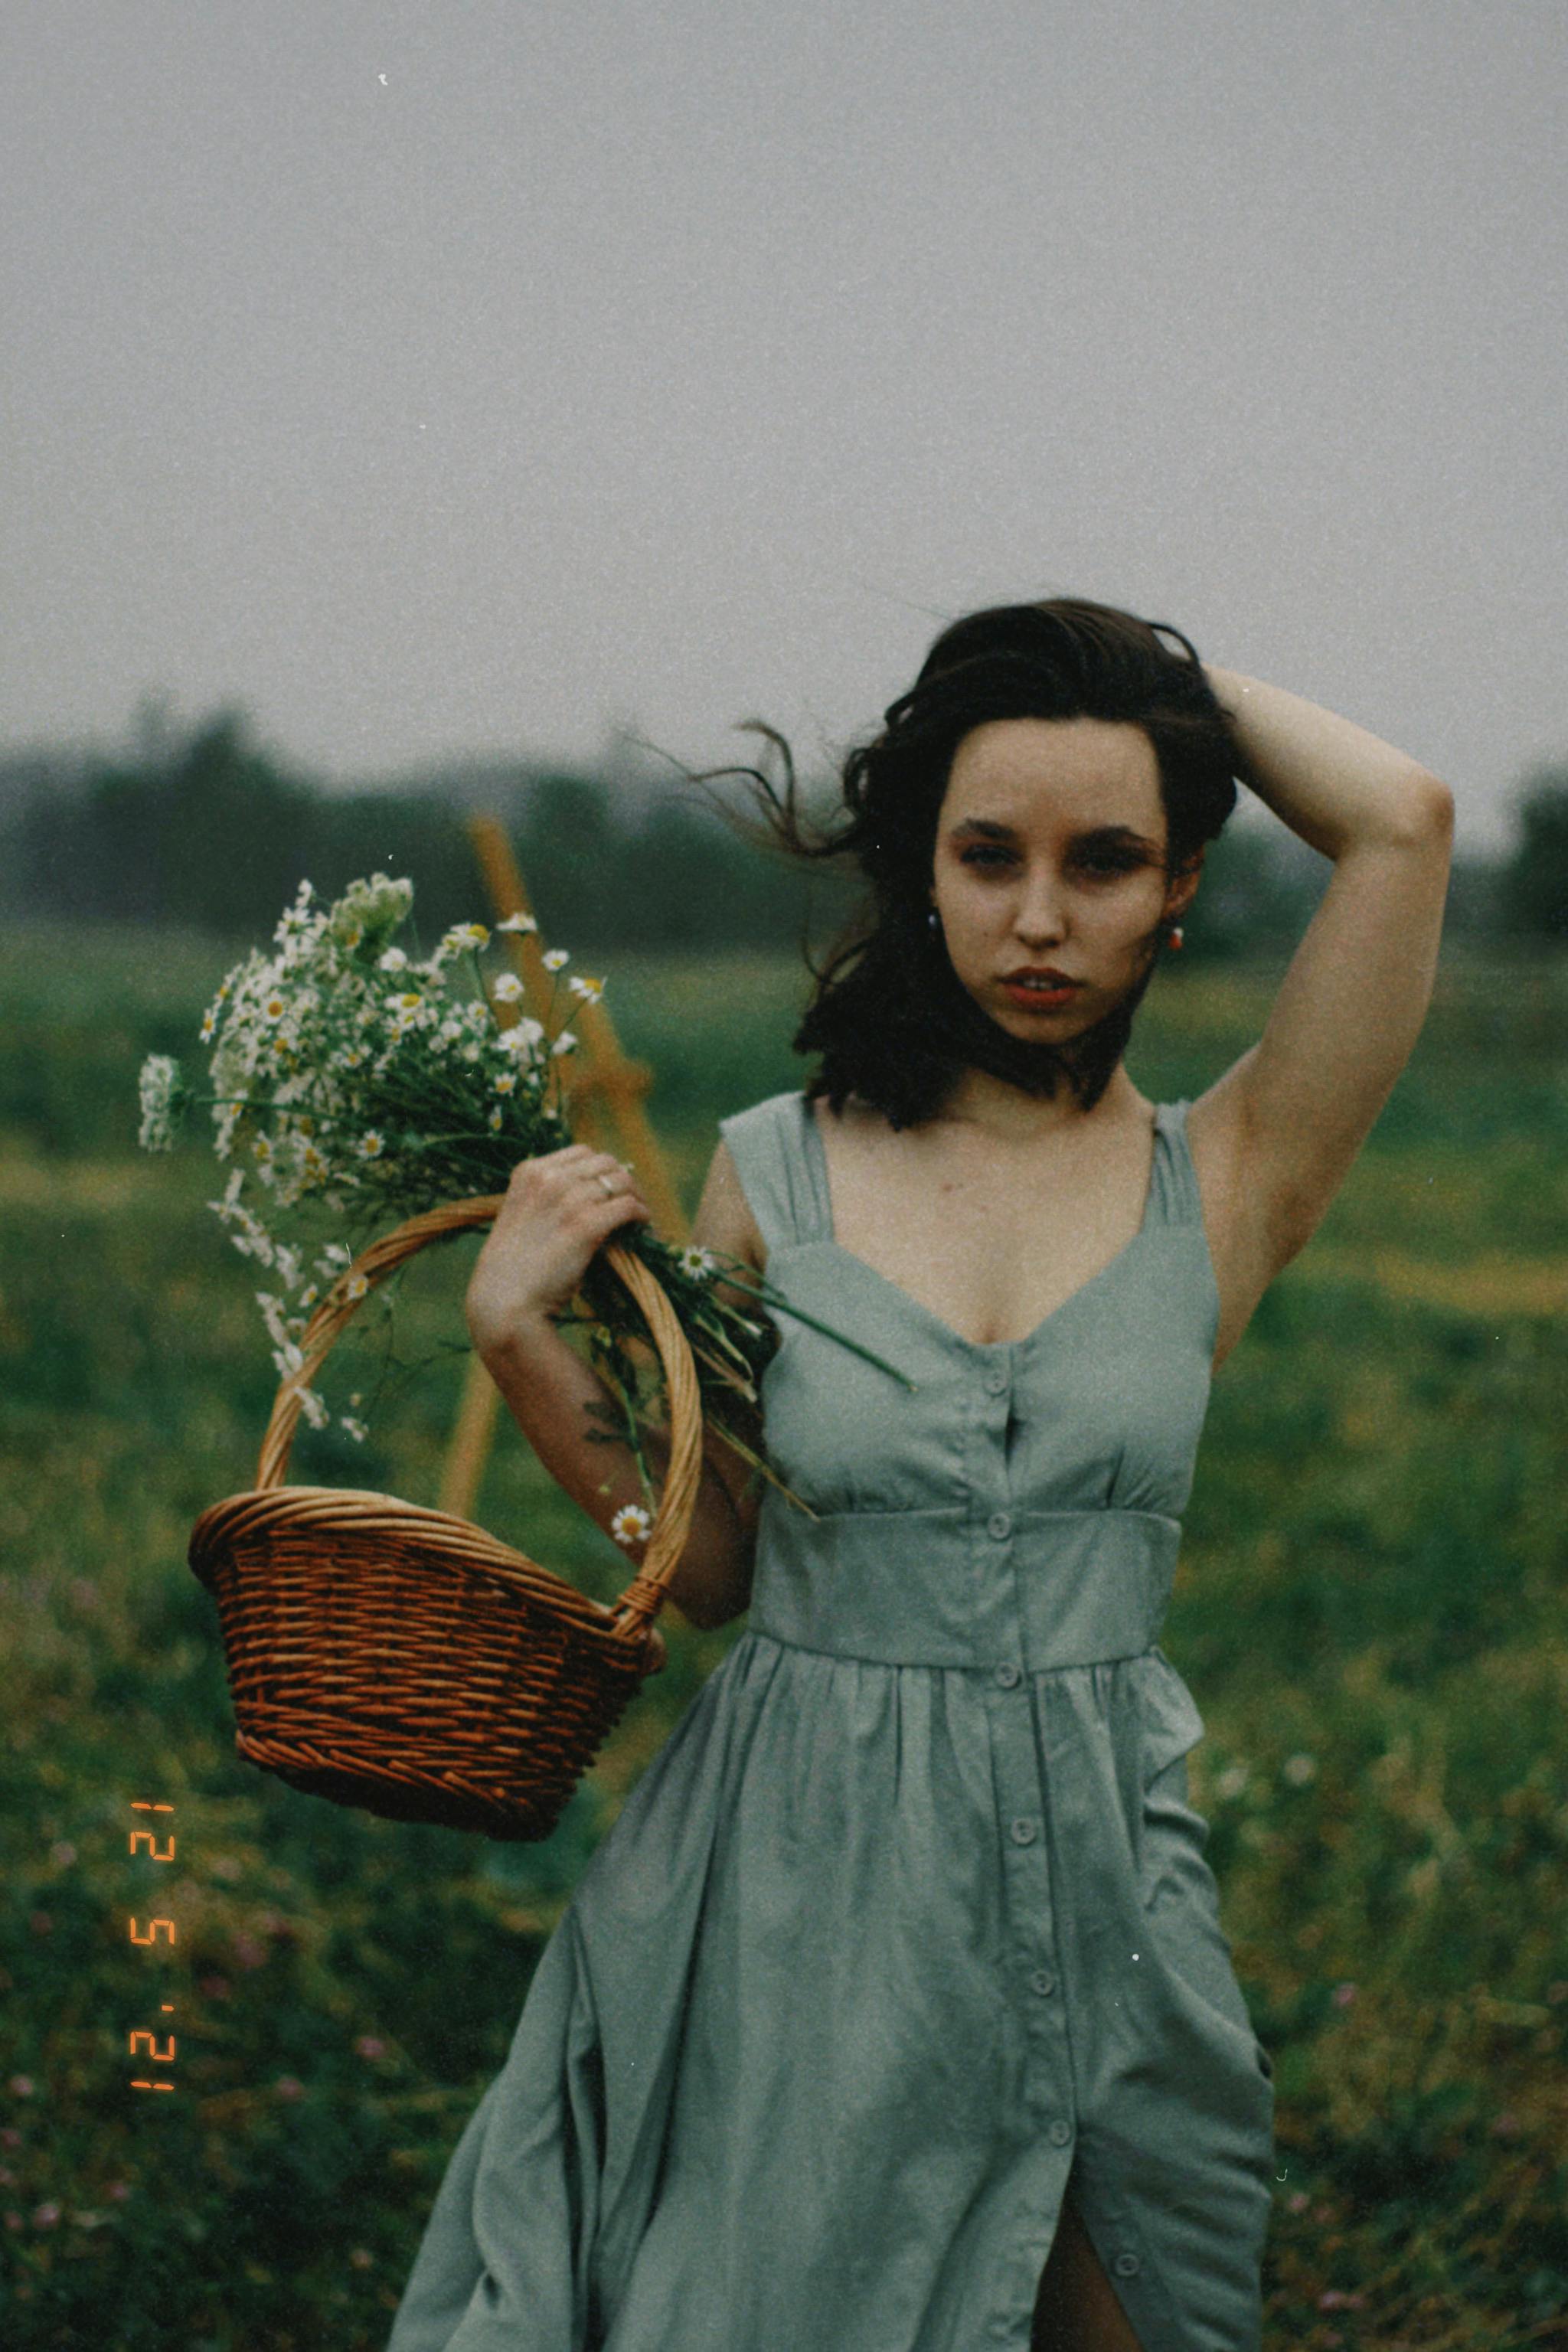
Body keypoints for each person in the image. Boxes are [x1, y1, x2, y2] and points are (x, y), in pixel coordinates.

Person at [385, 598, 1453, 2352]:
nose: (1038, 916)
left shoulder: (1232, 1176)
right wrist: (525, 1344)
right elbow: (718, 1567)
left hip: (1105, 1872)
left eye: (1105, 860)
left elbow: (1401, 818)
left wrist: (1146, 689)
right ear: (923, 868)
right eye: (987, 853)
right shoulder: (771, 1178)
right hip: (808, 1880)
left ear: (1182, 881)